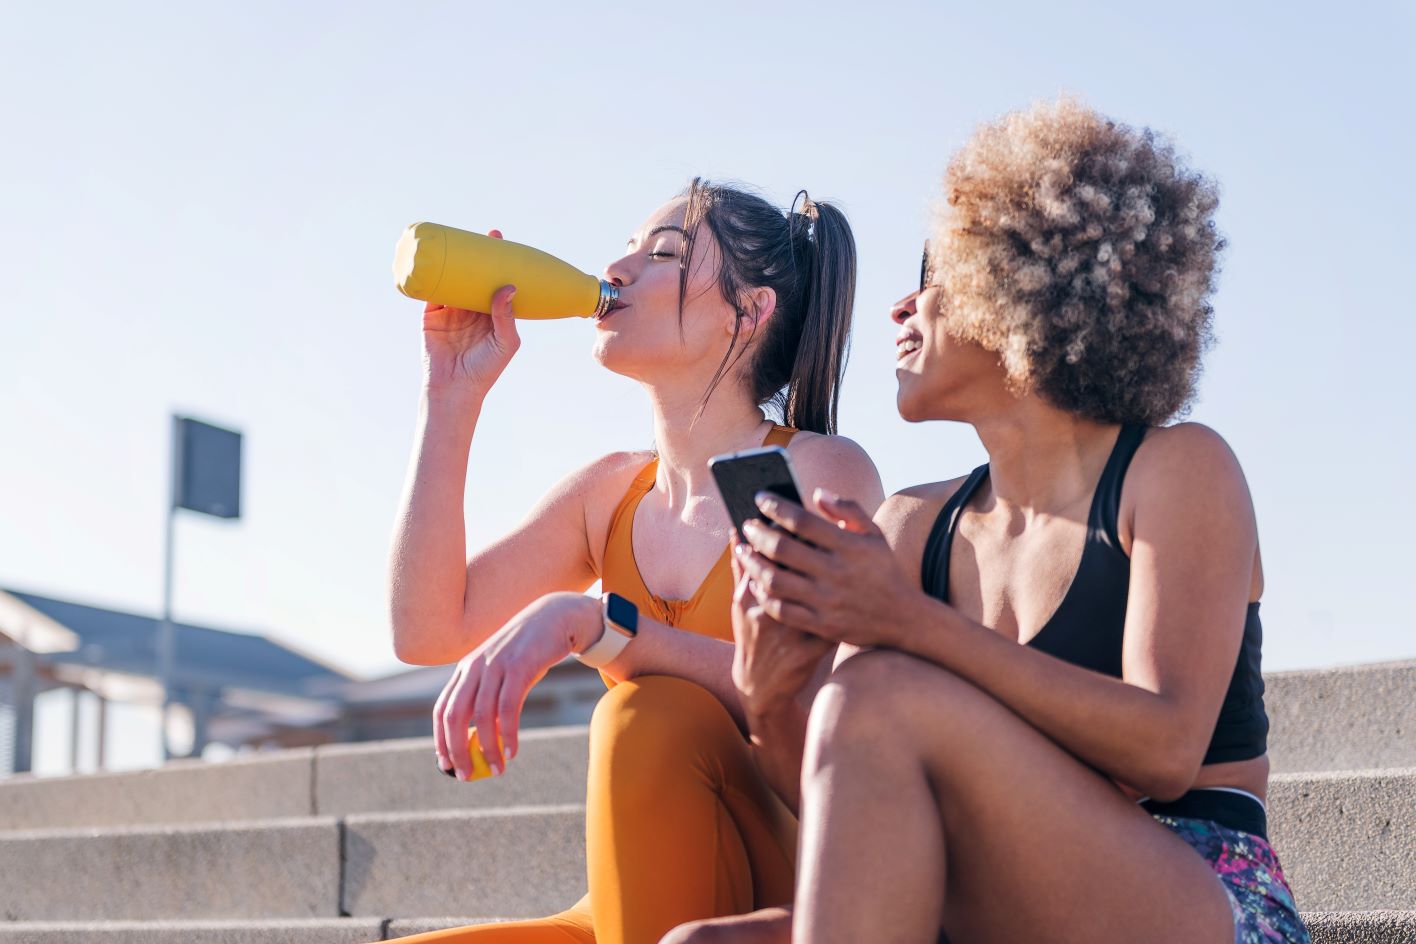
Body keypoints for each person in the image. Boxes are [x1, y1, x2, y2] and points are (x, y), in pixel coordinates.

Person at [701, 99, 1308, 944]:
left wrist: (904, 623)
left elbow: (1166, 748)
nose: (900, 308)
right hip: (986, 899)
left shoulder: (1178, 467)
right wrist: (769, 695)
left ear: (1027, 282)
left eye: (933, 273)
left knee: (880, 689)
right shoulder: (915, 522)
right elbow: (848, 803)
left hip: (1201, 893)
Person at [380, 179, 885, 944]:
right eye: (627, 247)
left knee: (644, 713)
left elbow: (819, 698)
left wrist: (602, 627)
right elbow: (426, 627)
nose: (616, 268)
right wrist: (451, 397)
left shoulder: (801, 471)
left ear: (747, 314)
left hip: (777, 895)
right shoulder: (611, 492)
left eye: (664, 253)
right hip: (622, 910)